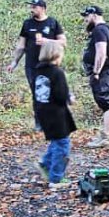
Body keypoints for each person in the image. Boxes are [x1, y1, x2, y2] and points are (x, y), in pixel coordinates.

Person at [8, 0, 66, 118]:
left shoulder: (52, 23)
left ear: (43, 8)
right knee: (36, 93)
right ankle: (40, 121)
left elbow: (63, 42)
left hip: (49, 64)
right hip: (31, 65)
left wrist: (47, 41)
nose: (32, 9)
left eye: (34, 7)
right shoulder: (27, 24)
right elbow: (21, 45)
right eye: (31, 7)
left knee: (49, 92)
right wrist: (14, 62)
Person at [33, 42, 79, 188]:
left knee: (56, 141)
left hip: (42, 112)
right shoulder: (57, 72)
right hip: (56, 114)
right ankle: (56, 178)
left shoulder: (38, 71)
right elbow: (61, 95)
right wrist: (70, 98)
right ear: (56, 55)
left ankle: (45, 164)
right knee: (63, 144)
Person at [80, 5, 109, 147]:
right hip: (105, 71)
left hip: (104, 72)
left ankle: (106, 138)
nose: (85, 19)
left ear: (94, 15)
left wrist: (96, 72)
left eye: (87, 16)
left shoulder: (100, 30)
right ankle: (105, 136)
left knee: (107, 102)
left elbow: (101, 52)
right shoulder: (103, 29)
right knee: (105, 102)